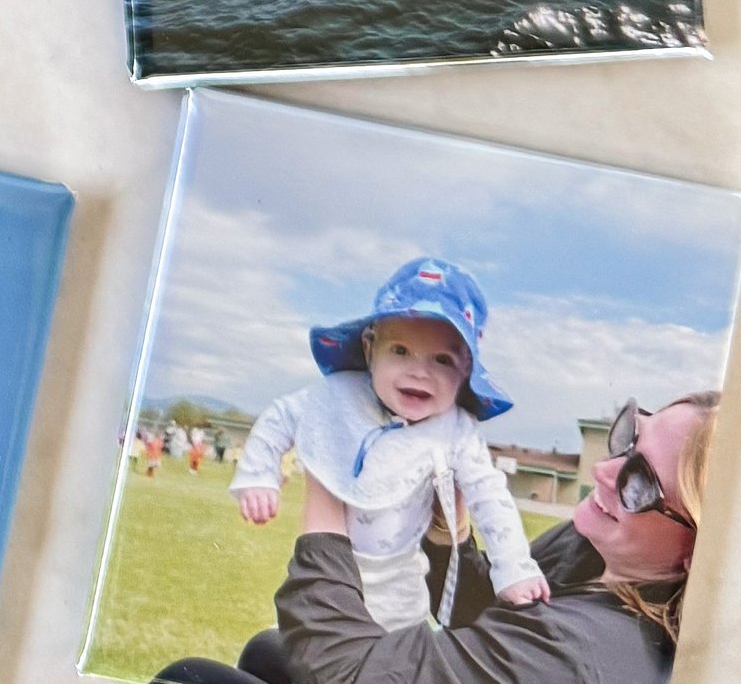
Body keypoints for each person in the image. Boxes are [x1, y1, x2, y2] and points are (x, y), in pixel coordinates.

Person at [157, 395, 720, 684]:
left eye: (640, 482)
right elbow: (491, 622)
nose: (606, 471)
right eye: (629, 435)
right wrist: (447, 527)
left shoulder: (584, 659)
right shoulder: (597, 551)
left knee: (190, 680)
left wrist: (329, 479)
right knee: (266, 649)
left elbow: (338, 665)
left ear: (700, 551)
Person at [229, 259, 548, 632]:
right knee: (298, 647)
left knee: (394, 656)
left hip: (401, 588)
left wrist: (514, 569)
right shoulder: (338, 395)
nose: (419, 371)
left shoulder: (457, 430)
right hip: (328, 570)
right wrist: (259, 475)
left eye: (442, 360)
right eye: (400, 351)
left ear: (465, 371)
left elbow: (490, 498)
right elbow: (279, 417)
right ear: (369, 349)